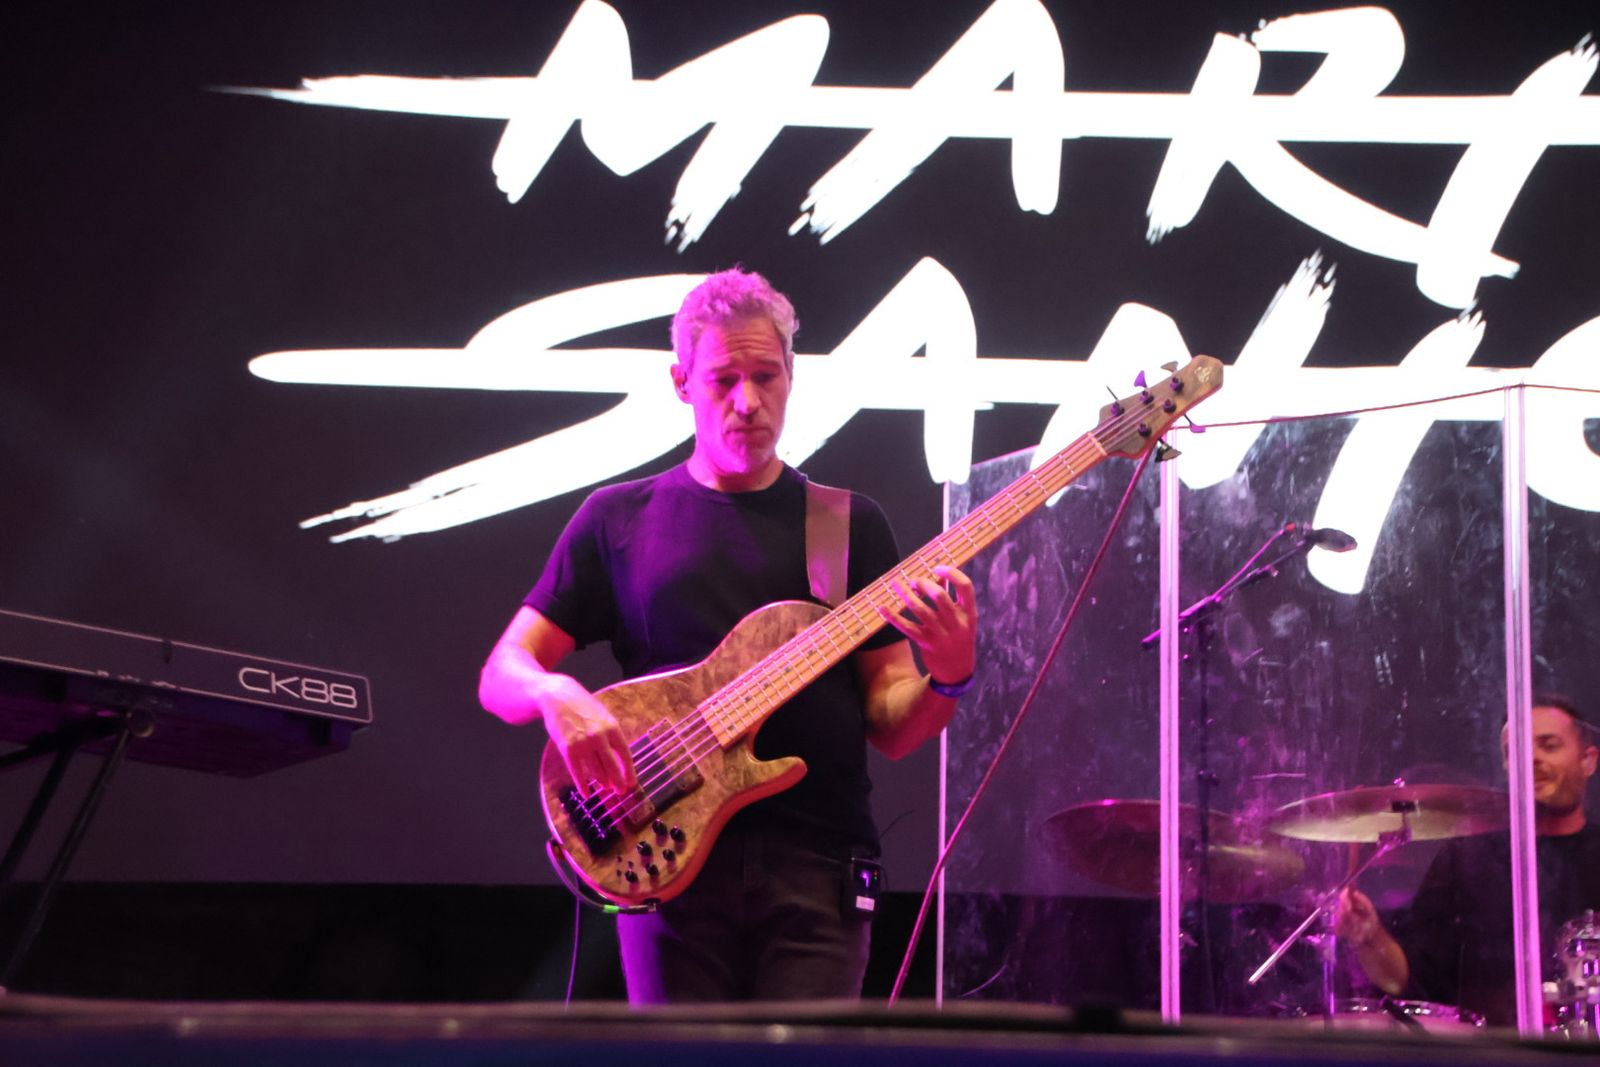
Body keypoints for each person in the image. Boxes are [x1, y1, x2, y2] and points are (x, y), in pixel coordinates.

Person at [478, 267, 979, 1003]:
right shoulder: (618, 519)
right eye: (722, 380)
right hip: (665, 865)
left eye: (766, 376)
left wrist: (949, 674)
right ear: (681, 382)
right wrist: (556, 692)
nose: (748, 401)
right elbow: (503, 672)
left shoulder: (846, 524)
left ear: (791, 376)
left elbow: (893, 726)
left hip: (819, 868)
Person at [1335, 695, 1600, 1026]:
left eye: (1549, 745)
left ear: (1588, 760)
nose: (1530, 758)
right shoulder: (1467, 859)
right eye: (1515, 751)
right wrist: (1370, 937)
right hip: (1492, 1055)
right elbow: (1410, 983)